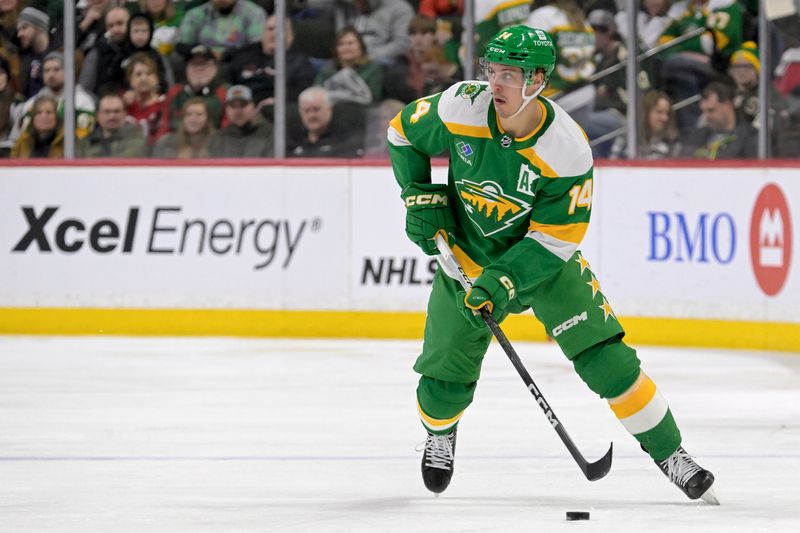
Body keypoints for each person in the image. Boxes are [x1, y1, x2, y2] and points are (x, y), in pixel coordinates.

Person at [386, 25, 717, 503]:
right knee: (443, 380)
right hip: (467, 257)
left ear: (538, 80)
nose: (495, 84)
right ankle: (440, 434)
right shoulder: (462, 106)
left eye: (510, 75)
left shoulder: (566, 147)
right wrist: (417, 194)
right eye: (491, 71)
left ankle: (671, 454)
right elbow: (402, 133)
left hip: (543, 266)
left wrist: (503, 281)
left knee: (609, 360)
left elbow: (555, 239)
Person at [228, 14, 316, 109]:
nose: (275, 34)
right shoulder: (244, 55)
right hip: (242, 107)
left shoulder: (301, 63)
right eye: (270, 29)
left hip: (278, 109)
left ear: (291, 38)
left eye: (281, 30)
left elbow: (303, 92)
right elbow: (228, 82)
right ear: (262, 34)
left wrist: (279, 101)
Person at [9, 52, 96, 143]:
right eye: (47, 70)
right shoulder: (31, 104)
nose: (51, 75)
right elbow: (18, 139)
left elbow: (83, 138)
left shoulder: (81, 101)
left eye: (56, 69)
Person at [158, 44, 228, 135]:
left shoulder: (224, 93)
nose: (199, 68)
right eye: (194, 64)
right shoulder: (175, 92)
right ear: (186, 68)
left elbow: (227, 131)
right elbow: (164, 126)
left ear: (214, 68)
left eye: (204, 64)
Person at [681, 80, 757, 159]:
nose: (706, 116)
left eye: (711, 110)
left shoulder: (750, 136)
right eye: (703, 111)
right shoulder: (698, 136)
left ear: (727, 105)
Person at [176, 0, 266, 64]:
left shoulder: (252, 12)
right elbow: (182, 45)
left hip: (239, 63)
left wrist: (225, 55)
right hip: (203, 63)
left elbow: (257, 45)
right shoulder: (196, 14)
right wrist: (204, 51)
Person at [314, 26, 383, 105]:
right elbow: (315, 94)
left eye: (350, 43)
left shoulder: (373, 69)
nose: (346, 47)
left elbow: (374, 98)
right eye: (340, 44)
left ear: (361, 46)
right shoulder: (327, 71)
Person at [289, 85, 363, 157]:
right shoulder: (292, 142)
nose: (311, 116)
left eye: (316, 109)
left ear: (329, 110)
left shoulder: (346, 141)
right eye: (306, 111)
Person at [609, 90, 681, 159]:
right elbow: (613, 164)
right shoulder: (628, 138)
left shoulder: (672, 144)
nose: (665, 118)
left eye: (667, 113)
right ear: (645, 113)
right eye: (659, 112)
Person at [79, 6, 132, 97]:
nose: (115, 29)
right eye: (111, 26)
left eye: (120, 23)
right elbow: (85, 90)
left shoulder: (141, 50)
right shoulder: (96, 52)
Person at [209, 84, 273, 157]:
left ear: (254, 107)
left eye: (243, 105)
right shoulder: (218, 138)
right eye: (233, 106)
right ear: (226, 110)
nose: (238, 111)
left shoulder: (270, 134)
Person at [77, 93, 147, 158]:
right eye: (107, 112)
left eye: (117, 111)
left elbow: (129, 159)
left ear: (125, 114)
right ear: (97, 115)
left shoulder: (135, 135)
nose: (112, 116)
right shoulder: (87, 141)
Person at [123, 52, 168, 147]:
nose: (144, 78)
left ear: (157, 79)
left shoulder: (166, 104)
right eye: (138, 74)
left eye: (149, 74)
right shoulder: (121, 105)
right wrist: (123, 105)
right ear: (130, 79)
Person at [15, 6, 54, 98]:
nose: (19, 34)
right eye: (18, 30)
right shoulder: (23, 58)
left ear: (39, 28)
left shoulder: (59, 55)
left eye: (24, 28)